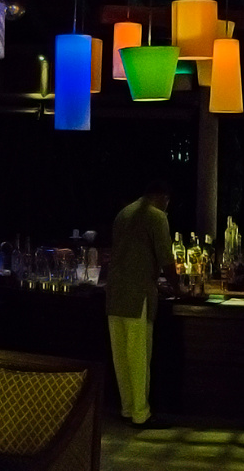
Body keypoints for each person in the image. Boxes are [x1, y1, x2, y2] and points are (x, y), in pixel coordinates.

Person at [106, 179, 175, 426]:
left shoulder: (123, 214)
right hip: (138, 295)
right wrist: (178, 287)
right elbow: (166, 258)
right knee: (138, 356)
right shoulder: (157, 216)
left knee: (121, 357)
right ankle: (140, 414)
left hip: (114, 293)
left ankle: (126, 408)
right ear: (163, 198)